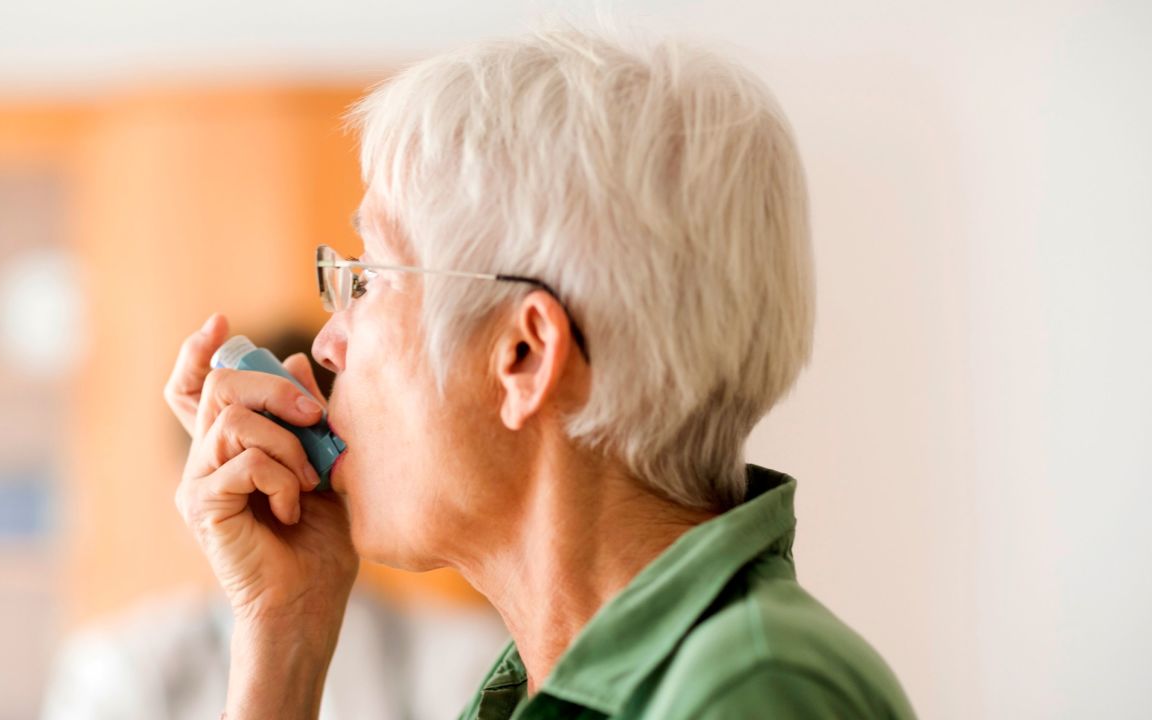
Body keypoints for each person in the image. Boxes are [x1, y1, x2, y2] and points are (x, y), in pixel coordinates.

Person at [162, 27, 916, 719]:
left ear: (524, 356)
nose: (328, 344)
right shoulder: (535, 692)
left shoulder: (751, 692)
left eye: (370, 278)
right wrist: (285, 630)